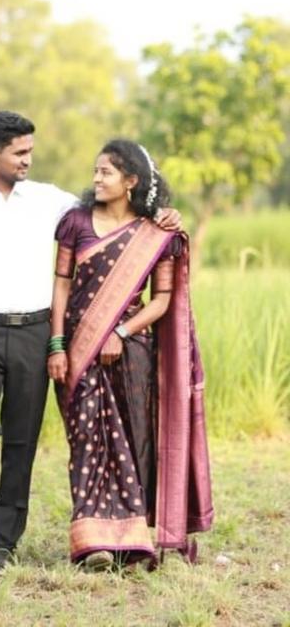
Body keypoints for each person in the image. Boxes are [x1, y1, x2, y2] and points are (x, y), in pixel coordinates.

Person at [0, 112, 182, 577]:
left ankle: (4, 539)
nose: (28, 159)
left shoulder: (49, 201)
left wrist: (160, 210)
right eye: (19, 152)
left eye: (30, 151)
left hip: (34, 333)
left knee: (22, 440)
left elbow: (112, 211)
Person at [48, 138, 213, 571]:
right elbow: (61, 286)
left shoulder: (156, 234)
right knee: (86, 440)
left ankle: (133, 543)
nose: (96, 179)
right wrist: (58, 343)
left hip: (133, 352)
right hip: (78, 351)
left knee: (135, 441)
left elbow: (161, 300)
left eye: (106, 172)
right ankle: (94, 543)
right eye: (96, 171)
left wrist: (118, 330)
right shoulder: (75, 223)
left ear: (131, 181)